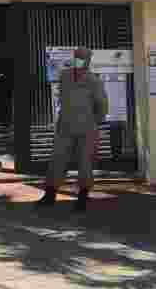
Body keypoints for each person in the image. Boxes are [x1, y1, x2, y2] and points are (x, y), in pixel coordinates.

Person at [35, 47, 109, 211]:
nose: (79, 60)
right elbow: (61, 98)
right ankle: (50, 194)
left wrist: (95, 121)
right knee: (57, 159)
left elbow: (102, 104)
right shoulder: (65, 76)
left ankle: (82, 197)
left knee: (85, 163)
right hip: (65, 126)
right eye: (77, 56)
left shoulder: (93, 80)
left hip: (87, 128)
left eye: (82, 57)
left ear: (88, 61)